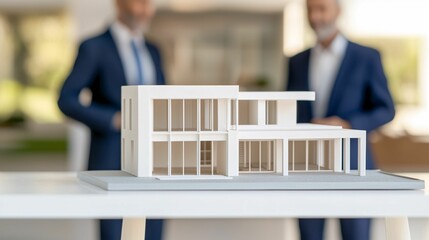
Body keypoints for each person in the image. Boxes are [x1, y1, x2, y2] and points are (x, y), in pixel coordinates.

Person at [286, 0, 395, 239]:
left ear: (338, 10)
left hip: (354, 165)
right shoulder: (296, 61)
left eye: (322, 9)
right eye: (310, 10)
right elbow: (289, 110)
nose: (315, 17)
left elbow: (386, 109)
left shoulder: (366, 57)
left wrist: (348, 125)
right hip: (307, 167)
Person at [58, 0, 165, 239]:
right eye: (140, 2)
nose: (146, 9)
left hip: (154, 163)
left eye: (150, 3)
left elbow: (163, 97)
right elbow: (66, 98)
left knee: (154, 232)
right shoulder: (94, 47)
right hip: (110, 159)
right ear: (119, 4)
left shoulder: (154, 50)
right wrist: (113, 119)